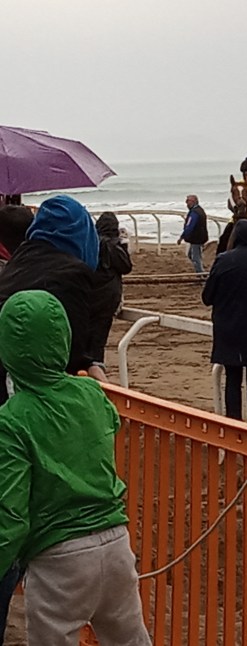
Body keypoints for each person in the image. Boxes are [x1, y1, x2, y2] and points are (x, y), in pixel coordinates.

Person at [0, 290, 150, 645]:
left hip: (58, 557)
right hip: (115, 542)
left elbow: (12, 514)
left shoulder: (12, 419)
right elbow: (110, 423)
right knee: (130, 638)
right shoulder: (91, 393)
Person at [0, 194, 104, 405]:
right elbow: (71, 343)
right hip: (30, 386)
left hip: (8, 364)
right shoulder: (72, 272)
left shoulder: (19, 258)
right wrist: (88, 364)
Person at [202, 220, 247, 426]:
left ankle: (234, 427)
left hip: (229, 329)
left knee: (232, 380)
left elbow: (207, 297)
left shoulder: (223, 260)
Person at [89, 212, 133, 368]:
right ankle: (96, 367)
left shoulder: (89, 242)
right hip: (107, 296)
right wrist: (124, 246)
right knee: (99, 338)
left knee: (86, 336)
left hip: (88, 293)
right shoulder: (113, 245)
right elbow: (126, 267)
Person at [178, 194, 208, 274]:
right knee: (191, 255)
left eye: (188, 201)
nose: (186, 203)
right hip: (199, 237)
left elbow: (189, 226)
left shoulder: (195, 213)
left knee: (195, 257)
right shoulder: (199, 210)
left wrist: (183, 236)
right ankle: (200, 268)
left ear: (194, 202)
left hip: (197, 238)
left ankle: (201, 273)